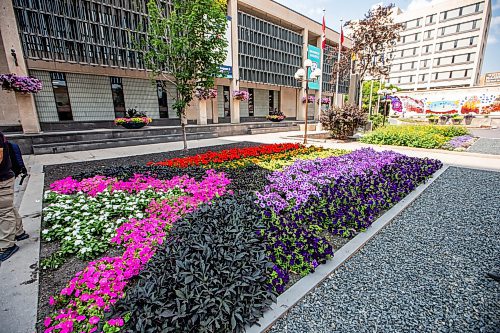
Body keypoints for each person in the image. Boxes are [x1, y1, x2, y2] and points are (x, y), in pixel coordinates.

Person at [0, 131, 29, 262]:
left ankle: (6, 246)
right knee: (7, 207)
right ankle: (19, 232)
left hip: (2, 179)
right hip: (4, 177)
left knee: (4, 212)